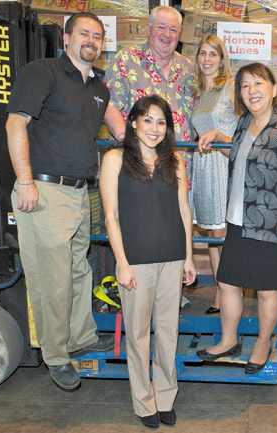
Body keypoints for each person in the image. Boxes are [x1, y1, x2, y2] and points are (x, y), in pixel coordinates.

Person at [5, 12, 114, 391]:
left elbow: (119, 127)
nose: (91, 40)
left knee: (78, 270)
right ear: (66, 37)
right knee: (52, 280)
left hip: (81, 193)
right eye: (84, 33)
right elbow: (15, 123)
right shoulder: (43, 72)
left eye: (97, 36)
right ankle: (55, 355)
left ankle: (80, 336)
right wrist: (25, 182)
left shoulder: (99, 88)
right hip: (44, 190)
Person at [195, 63, 277, 374]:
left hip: (272, 226)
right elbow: (241, 155)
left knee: (266, 287)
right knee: (228, 281)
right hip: (237, 219)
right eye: (245, 86)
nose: (251, 91)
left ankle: (263, 341)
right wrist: (219, 135)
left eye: (258, 83)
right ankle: (229, 340)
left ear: (273, 89)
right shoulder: (244, 123)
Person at [99, 95, 197, 428]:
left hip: (172, 258)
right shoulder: (114, 160)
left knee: (168, 332)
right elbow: (110, 216)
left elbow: (184, 211)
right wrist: (121, 262)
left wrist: (188, 257)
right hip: (135, 261)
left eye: (161, 122)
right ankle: (144, 402)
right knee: (138, 336)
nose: (154, 128)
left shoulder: (176, 162)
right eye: (148, 120)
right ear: (134, 122)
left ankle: (166, 396)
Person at [103, 5, 195, 309]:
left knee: (173, 222)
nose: (167, 35)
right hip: (137, 162)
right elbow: (108, 101)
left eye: (173, 30)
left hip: (178, 164)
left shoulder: (188, 67)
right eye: (161, 28)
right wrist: (124, 138)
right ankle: (134, 282)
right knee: (140, 224)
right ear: (148, 28)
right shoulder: (127, 60)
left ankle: (170, 290)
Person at [190, 35, 238, 315]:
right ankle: (221, 292)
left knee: (222, 233)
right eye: (203, 54)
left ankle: (229, 293)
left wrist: (222, 137)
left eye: (213, 54)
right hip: (203, 165)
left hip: (223, 165)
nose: (207, 59)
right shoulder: (197, 93)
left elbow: (244, 129)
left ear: (222, 60)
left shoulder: (230, 88)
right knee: (211, 232)